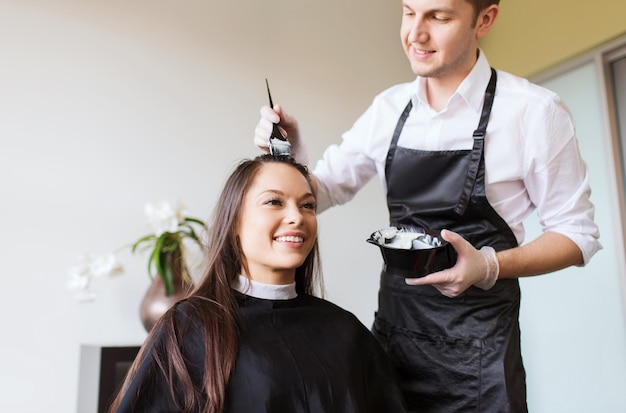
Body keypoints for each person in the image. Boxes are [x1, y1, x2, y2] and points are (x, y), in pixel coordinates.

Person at [253, 1, 601, 411]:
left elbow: (578, 236)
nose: (415, 33)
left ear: (484, 20)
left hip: (481, 360)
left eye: (438, 16)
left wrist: (489, 266)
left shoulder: (533, 112)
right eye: (408, 11)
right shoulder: (389, 109)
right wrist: (288, 154)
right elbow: (322, 190)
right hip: (393, 346)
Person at [108, 154, 407, 413]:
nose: (296, 217)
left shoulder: (346, 332)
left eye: (307, 205)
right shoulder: (188, 327)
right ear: (234, 221)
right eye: (274, 201)